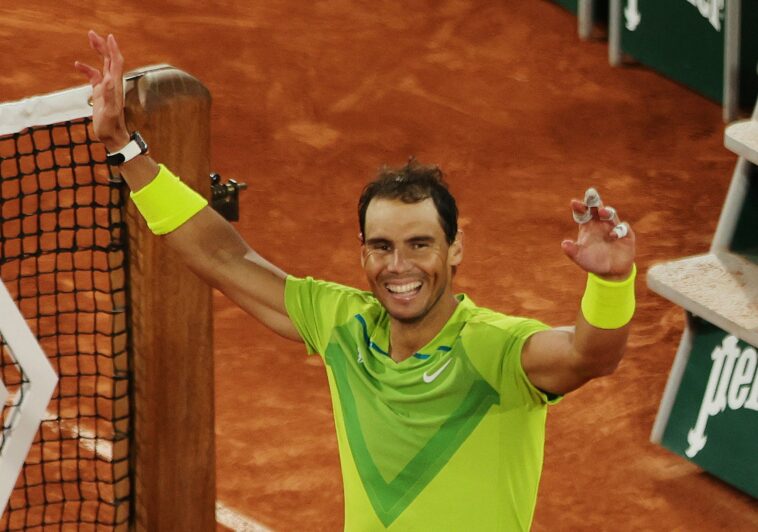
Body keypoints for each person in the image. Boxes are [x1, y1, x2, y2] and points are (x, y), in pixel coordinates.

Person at [76, 31, 636, 531]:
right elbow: (224, 257)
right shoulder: (342, 324)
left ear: (456, 247)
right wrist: (126, 150)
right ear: (363, 253)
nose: (400, 266)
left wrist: (611, 283)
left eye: (420, 245)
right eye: (382, 247)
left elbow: (590, 357)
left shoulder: (492, 349)